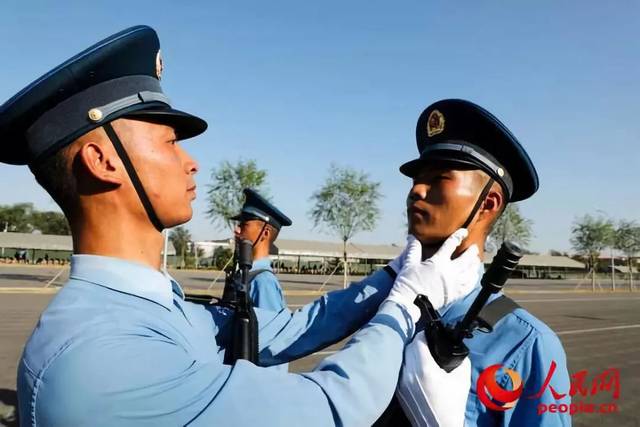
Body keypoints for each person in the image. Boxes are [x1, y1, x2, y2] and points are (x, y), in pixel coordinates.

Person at [2, 26, 479, 426]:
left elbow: (293, 329)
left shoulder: (152, 311)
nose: (191, 164)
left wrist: (398, 273)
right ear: (103, 160)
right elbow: (325, 409)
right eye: (169, 143)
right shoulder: (98, 358)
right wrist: (402, 310)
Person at [393, 99, 571, 426]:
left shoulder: (526, 344)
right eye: (416, 180)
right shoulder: (389, 304)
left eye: (438, 179)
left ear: (488, 203)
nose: (416, 190)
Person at [231, 188, 291, 313]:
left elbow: (271, 331)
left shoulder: (262, 282)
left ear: (265, 232)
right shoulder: (246, 275)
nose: (236, 230)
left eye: (244, 225)